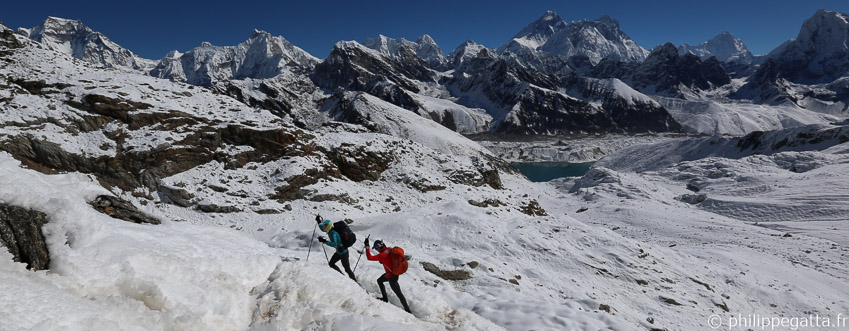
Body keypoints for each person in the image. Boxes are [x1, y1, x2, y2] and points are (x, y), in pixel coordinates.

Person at [364, 238, 411, 313]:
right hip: (391, 273)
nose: (376, 250)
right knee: (379, 280)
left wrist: (367, 246)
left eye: (376, 248)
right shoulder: (389, 249)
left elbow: (369, 257)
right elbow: (388, 259)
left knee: (398, 293)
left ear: (379, 247)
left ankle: (407, 310)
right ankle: (385, 298)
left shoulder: (382, 255)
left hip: (392, 276)